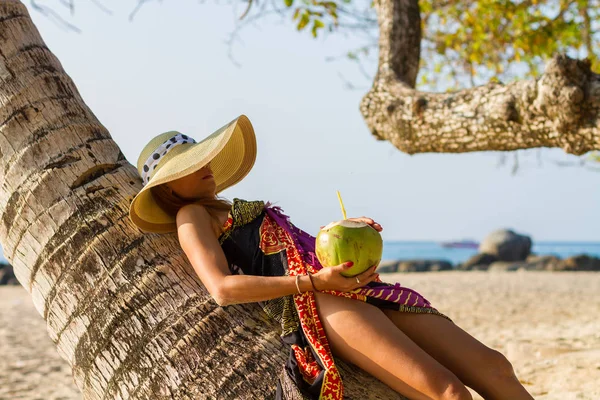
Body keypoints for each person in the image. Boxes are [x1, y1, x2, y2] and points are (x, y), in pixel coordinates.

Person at [128, 115, 534, 400]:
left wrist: (344, 234)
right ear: (165, 189)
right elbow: (223, 288)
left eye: (202, 155)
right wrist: (316, 283)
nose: (206, 164)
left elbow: (292, 250)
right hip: (316, 301)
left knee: (495, 366)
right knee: (448, 393)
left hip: (351, 287)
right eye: (188, 164)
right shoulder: (190, 215)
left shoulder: (222, 206)